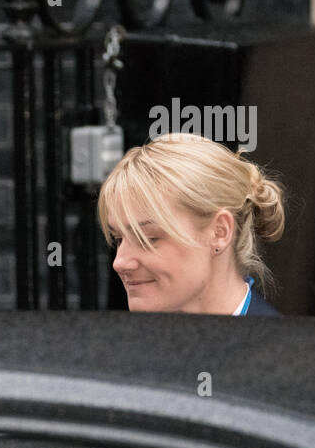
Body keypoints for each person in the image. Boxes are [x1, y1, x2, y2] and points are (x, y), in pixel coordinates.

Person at [96, 133, 286, 315]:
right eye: (118, 239)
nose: (119, 262)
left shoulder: (286, 347)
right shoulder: (119, 345)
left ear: (219, 232)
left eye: (148, 238)